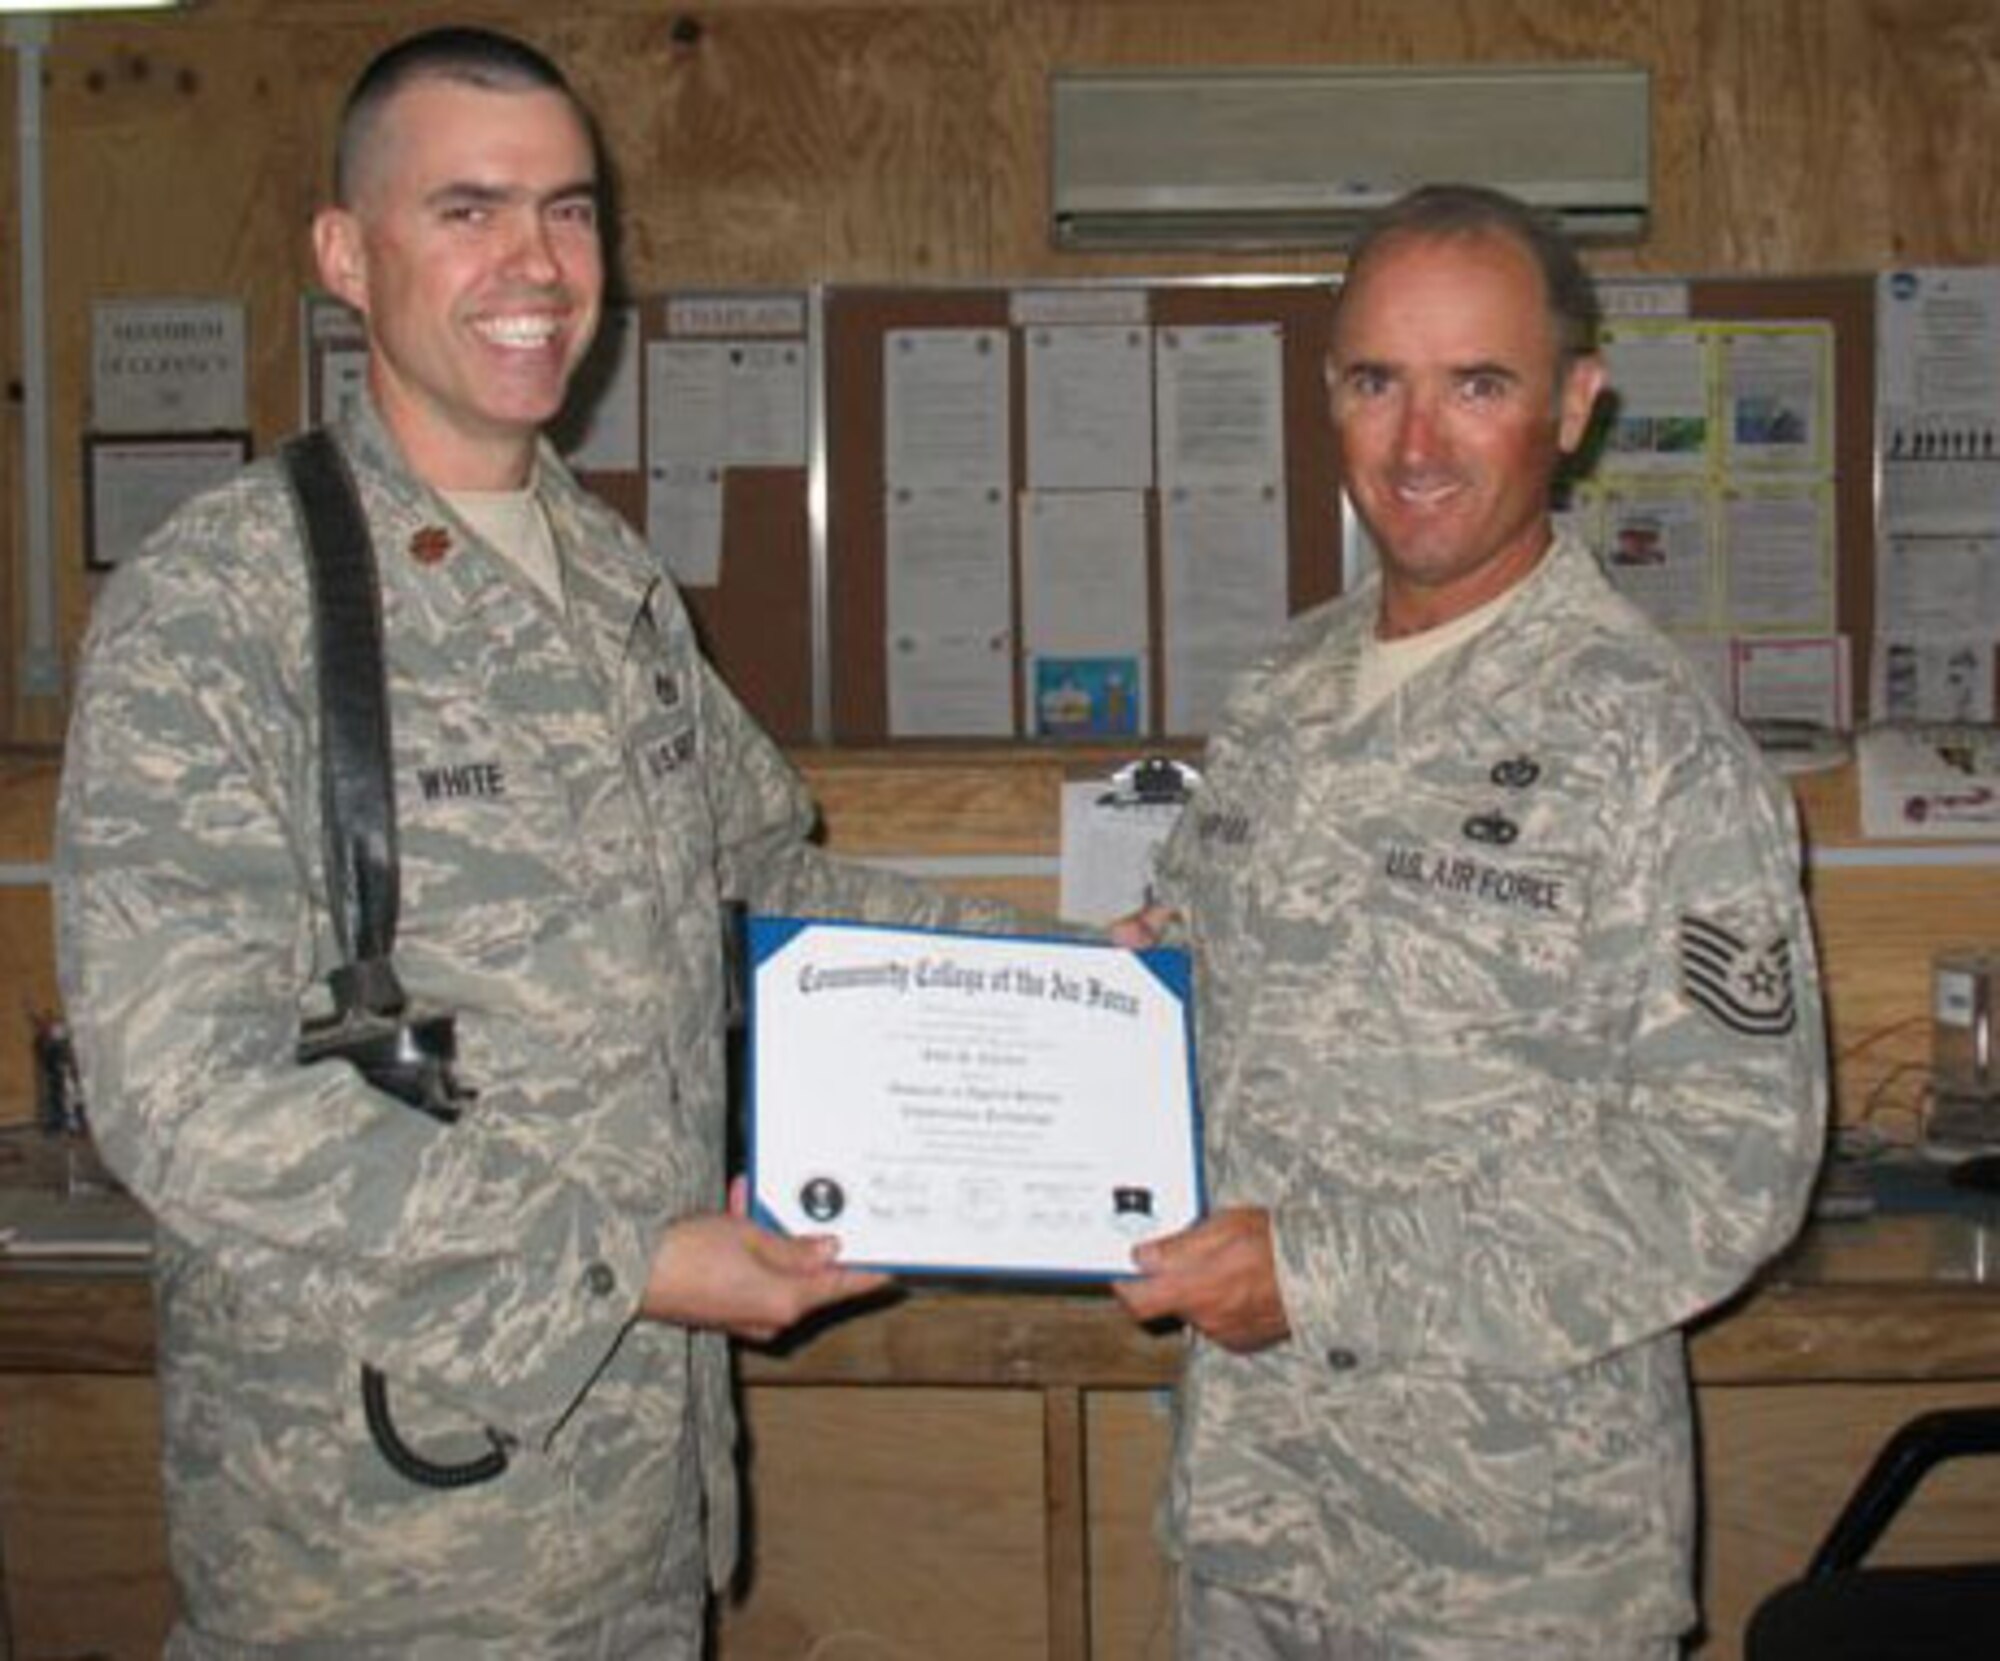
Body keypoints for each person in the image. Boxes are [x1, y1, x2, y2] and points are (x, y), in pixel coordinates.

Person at [55, 28, 1018, 1659]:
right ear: (346, 255)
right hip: (382, 1557)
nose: (537, 264)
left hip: (639, 1522)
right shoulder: (226, 604)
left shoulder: (610, 583)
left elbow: (766, 896)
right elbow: (183, 1090)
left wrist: (1077, 988)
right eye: (469, 211)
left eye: (568, 212)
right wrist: (630, 1264)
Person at [1111, 184, 1828, 1659]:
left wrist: (1317, 1274)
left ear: (1573, 406)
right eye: (1378, 382)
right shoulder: (1281, 696)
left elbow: (1724, 1172)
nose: (1417, 444)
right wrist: (1120, 1012)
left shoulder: (1656, 750)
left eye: (1478, 385)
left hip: (1508, 1573)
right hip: (1255, 1524)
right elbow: (1218, 1005)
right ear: (1330, 393)